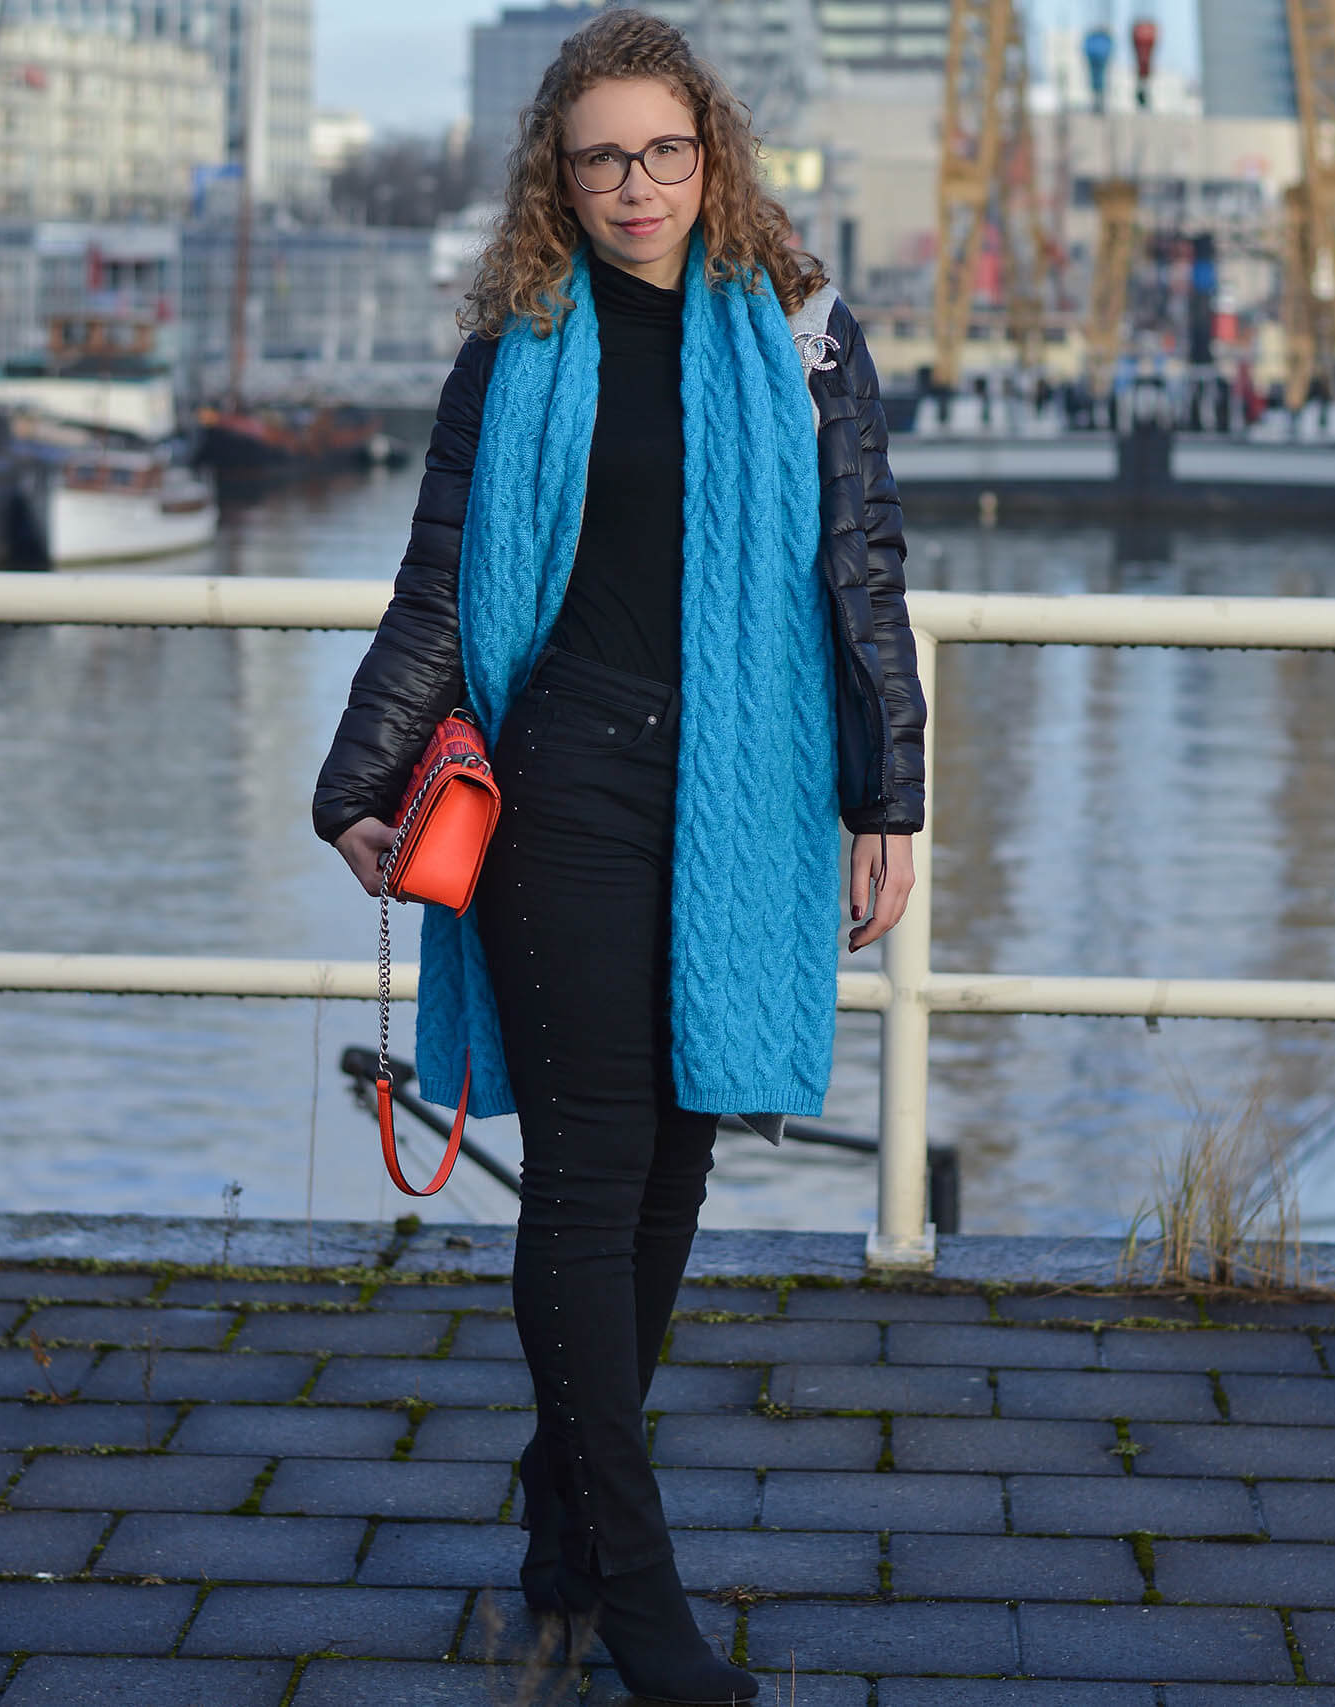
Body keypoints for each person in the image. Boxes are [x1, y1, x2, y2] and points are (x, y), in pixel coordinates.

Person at [313, 10, 925, 1700]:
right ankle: (640, 1603)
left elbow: (860, 575)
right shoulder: (516, 343)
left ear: (711, 151)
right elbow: (440, 589)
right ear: (558, 176)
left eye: (666, 151)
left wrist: (890, 795)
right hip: (559, 779)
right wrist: (356, 782)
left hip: (743, 787)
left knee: (671, 1174)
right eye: (602, 158)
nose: (637, 185)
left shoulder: (800, 330)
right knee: (590, 1183)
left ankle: (562, 1516)